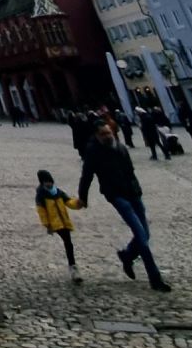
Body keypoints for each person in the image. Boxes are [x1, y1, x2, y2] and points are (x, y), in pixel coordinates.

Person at [78, 121, 172, 292]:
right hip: (116, 195)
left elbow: (130, 171)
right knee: (141, 236)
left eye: (109, 132)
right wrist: (82, 197)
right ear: (97, 136)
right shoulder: (93, 152)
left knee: (145, 233)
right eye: (104, 134)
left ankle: (127, 255)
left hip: (133, 192)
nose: (108, 136)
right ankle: (155, 278)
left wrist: (138, 190)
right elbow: (87, 175)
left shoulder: (120, 147)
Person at [35, 170, 83, 283]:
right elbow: (41, 211)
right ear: (42, 183)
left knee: (69, 243)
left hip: (64, 222)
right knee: (68, 242)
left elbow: (69, 202)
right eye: (46, 182)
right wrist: (47, 225)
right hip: (55, 224)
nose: (49, 184)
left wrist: (78, 203)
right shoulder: (41, 195)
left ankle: (72, 267)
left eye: (50, 181)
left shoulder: (58, 192)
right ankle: (73, 267)